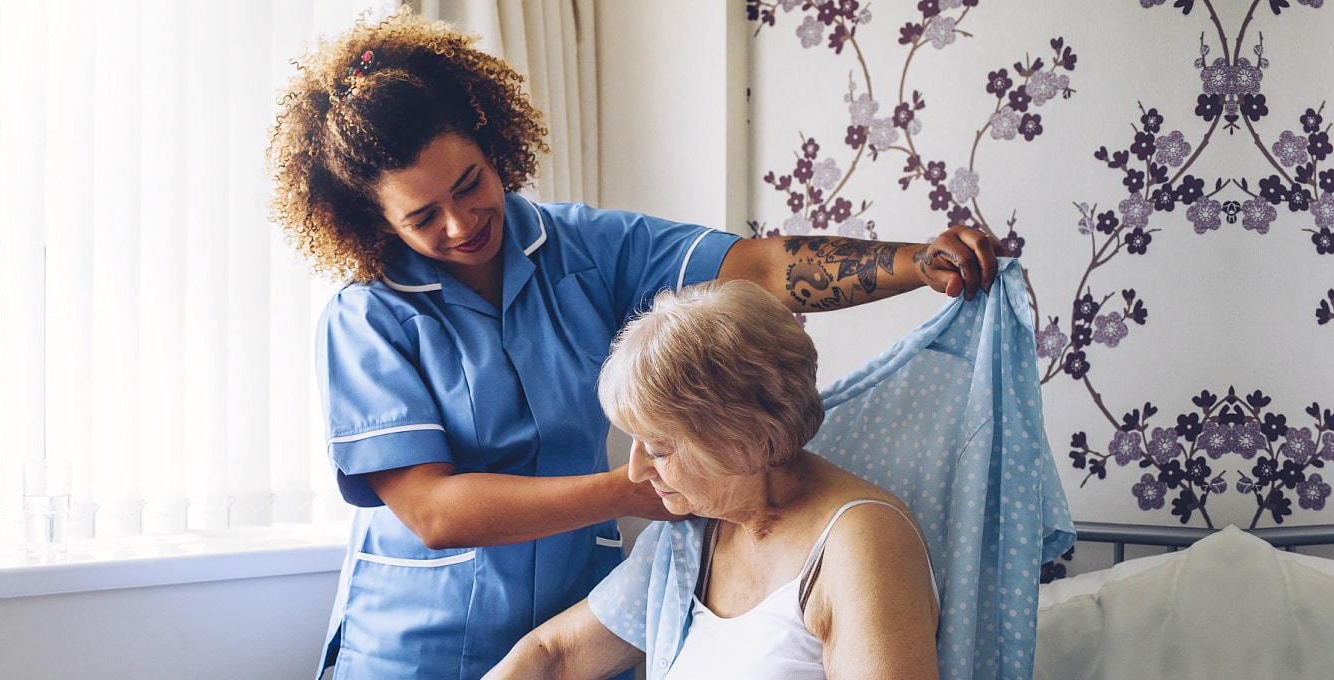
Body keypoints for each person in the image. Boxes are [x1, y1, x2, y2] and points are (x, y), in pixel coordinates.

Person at [265, 8, 992, 678]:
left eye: (470, 184)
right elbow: (434, 511)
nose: (460, 224)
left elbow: (762, 268)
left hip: (574, 628)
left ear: (494, 145)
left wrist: (916, 264)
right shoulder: (367, 318)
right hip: (413, 651)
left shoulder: (585, 247)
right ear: (374, 221)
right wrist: (643, 486)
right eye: (423, 216)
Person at [483, 280, 940, 679]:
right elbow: (554, 654)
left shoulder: (861, 545)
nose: (638, 470)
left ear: (748, 439)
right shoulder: (692, 532)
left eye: (659, 448)